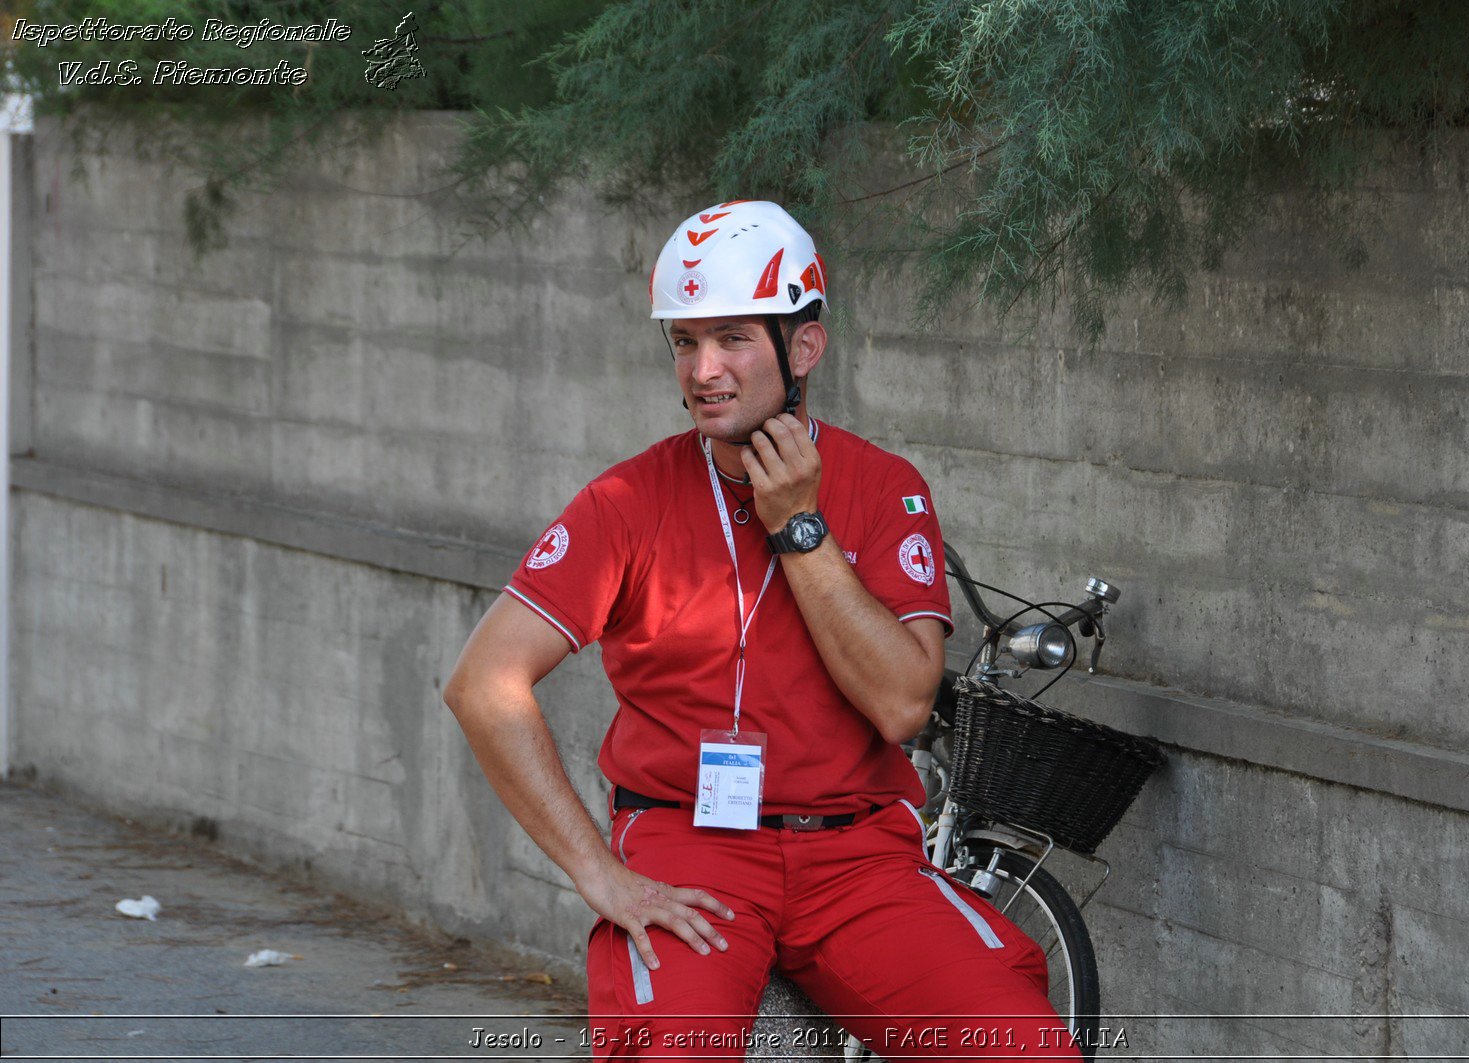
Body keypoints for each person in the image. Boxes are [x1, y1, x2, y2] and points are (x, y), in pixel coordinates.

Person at [444, 201, 1078, 1060]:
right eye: (684, 342)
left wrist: (800, 529)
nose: (703, 370)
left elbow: (901, 702)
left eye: (734, 338)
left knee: (1025, 1047)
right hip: (686, 849)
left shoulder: (886, 488)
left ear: (803, 348)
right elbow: (483, 683)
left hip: (858, 860)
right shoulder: (625, 503)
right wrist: (599, 874)